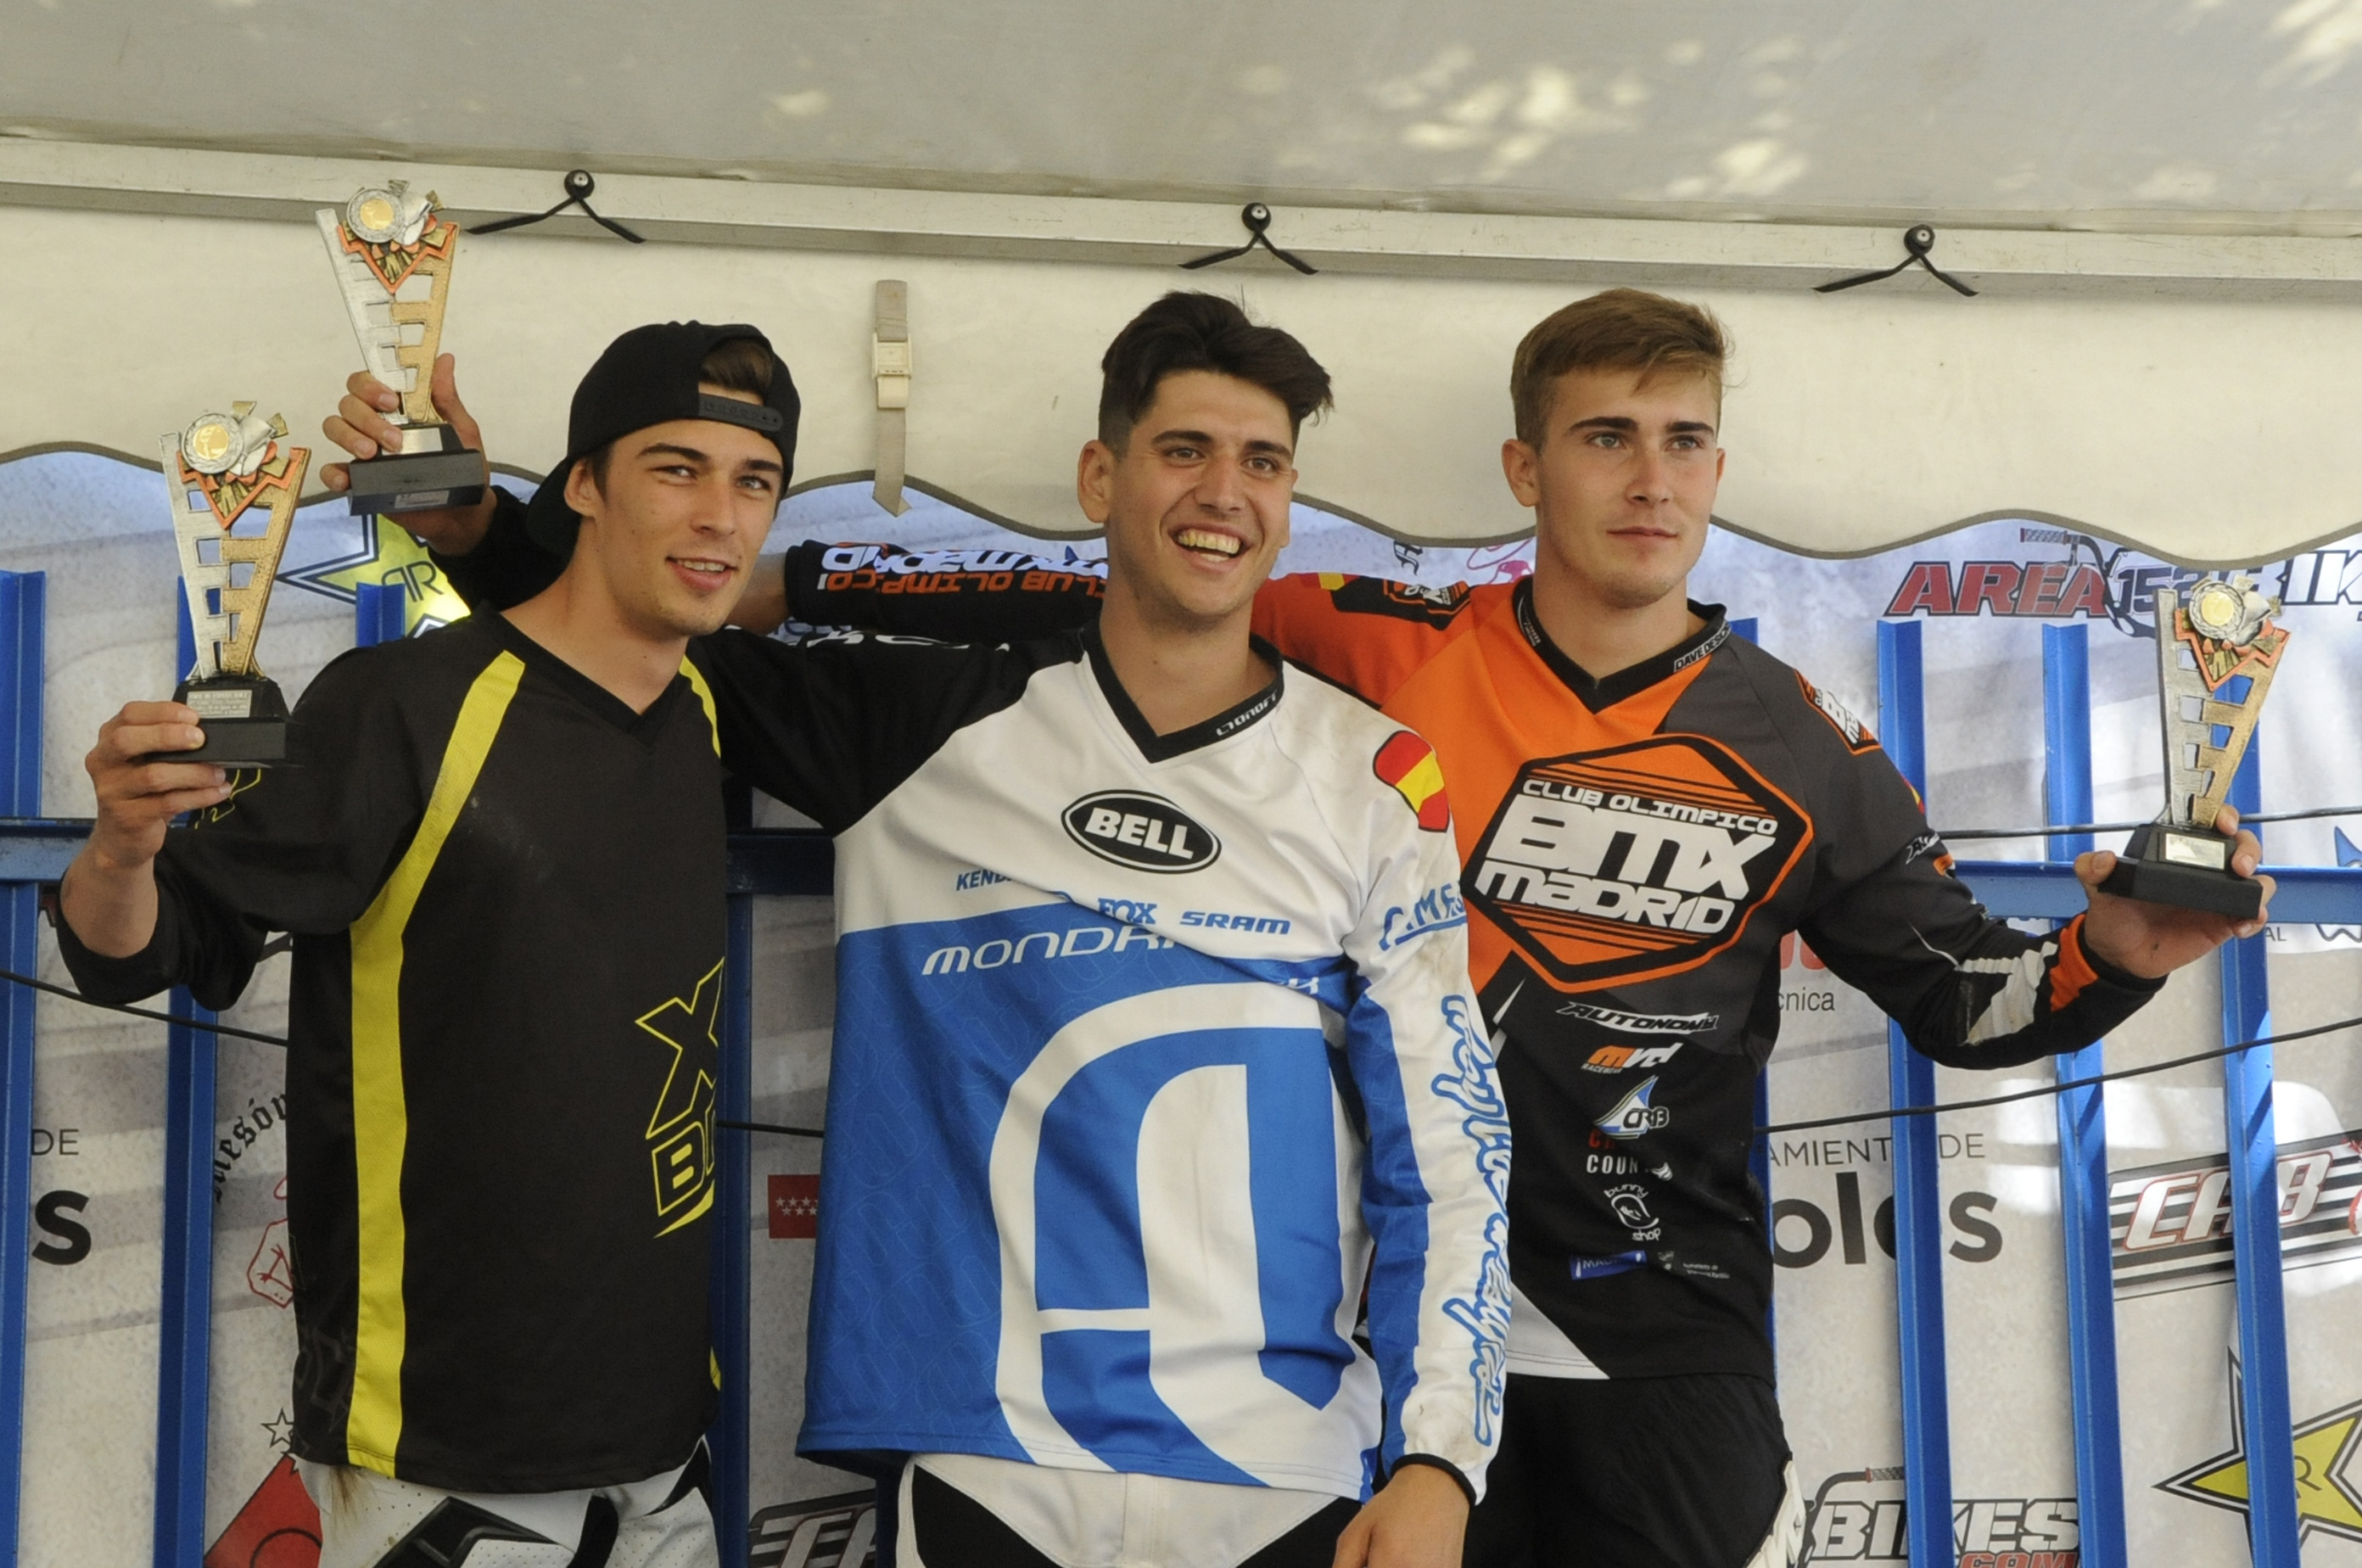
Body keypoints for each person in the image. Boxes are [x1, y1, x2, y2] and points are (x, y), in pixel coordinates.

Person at [646, 286, 2275, 1568]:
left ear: (1720, 470)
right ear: (1524, 469)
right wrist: (777, 582)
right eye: (1608, 437)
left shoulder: (1803, 739)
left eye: (1686, 441)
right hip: (1387, 1358)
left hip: (1663, 1348)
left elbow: (1963, 994)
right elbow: (1107, 603)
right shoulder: (1372, 644)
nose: (1651, 479)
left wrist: (2116, 956)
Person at [331, 293, 1510, 1568]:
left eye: (1263, 462)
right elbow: (635, 634)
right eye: (1185, 451)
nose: (1224, 493)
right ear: (1100, 476)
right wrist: (480, 535)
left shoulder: (1375, 776)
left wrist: (1441, 1456)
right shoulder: (921, 727)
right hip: (983, 1466)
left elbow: (1447, 1145)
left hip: (1282, 1471)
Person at [58, 322, 800, 1567]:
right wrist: (122, 849)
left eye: (754, 480)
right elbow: (142, 949)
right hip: (445, 1448)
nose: (720, 516)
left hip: (665, 1440)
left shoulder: (703, 709)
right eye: (676, 469)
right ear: (582, 486)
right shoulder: (407, 702)